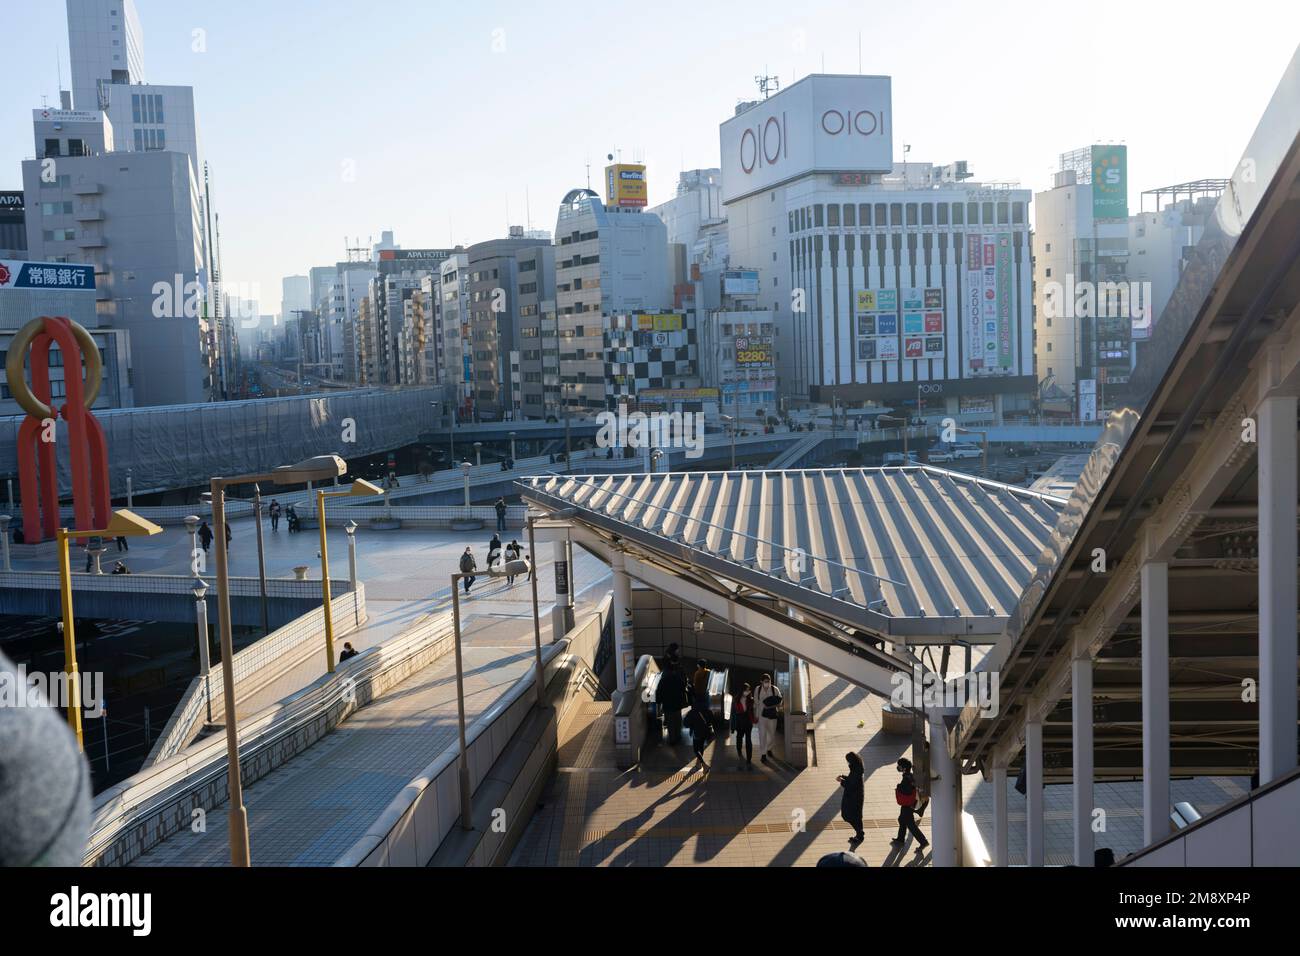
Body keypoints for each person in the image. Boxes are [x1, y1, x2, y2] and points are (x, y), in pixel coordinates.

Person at [891, 757, 929, 852]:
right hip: (910, 803)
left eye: (899, 766)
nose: (898, 767)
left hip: (908, 804)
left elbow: (907, 790)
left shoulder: (907, 778)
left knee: (911, 825)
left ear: (903, 768)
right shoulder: (909, 775)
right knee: (902, 820)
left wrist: (899, 787)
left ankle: (923, 842)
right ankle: (900, 839)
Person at [655, 658, 688, 745]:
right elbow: (683, 687)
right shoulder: (677, 678)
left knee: (670, 721)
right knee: (677, 719)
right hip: (677, 703)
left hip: (667, 704)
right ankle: (678, 735)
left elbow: (659, 691)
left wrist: (658, 702)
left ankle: (672, 738)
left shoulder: (663, 679)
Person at [838, 752, 866, 847]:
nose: (847, 763)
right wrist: (844, 776)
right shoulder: (857, 768)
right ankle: (859, 833)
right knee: (855, 816)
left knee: (849, 816)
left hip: (853, 798)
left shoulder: (856, 770)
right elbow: (851, 780)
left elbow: (851, 785)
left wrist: (841, 781)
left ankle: (860, 834)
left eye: (848, 761)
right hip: (855, 796)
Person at [755, 673, 782, 764]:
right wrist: (756, 715)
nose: (767, 683)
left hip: (772, 715)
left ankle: (769, 748)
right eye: (766, 681)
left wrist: (770, 706)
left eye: (769, 681)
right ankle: (763, 754)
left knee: (772, 734)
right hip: (762, 716)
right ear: (761, 682)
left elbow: (780, 702)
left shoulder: (775, 689)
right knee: (762, 735)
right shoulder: (757, 689)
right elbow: (756, 702)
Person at [733, 682, 756, 768]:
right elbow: (733, 713)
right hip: (739, 720)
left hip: (747, 720)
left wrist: (754, 719)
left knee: (748, 739)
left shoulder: (751, 700)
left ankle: (749, 758)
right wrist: (733, 726)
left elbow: (753, 710)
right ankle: (739, 751)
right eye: (746, 690)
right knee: (739, 737)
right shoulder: (736, 699)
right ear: (742, 691)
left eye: (748, 690)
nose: (748, 692)